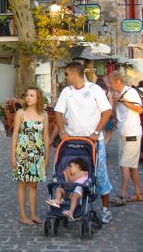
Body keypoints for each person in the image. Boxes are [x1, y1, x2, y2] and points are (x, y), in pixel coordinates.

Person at [55, 61, 113, 224]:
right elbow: (58, 112)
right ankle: (71, 204)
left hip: (93, 141)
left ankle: (105, 209)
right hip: (72, 142)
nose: (65, 77)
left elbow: (107, 111)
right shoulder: (67, 92)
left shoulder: (94, 89)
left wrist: (96, 132)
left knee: (99, 175)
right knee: (70, 174)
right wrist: (62, 132)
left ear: (75, 73)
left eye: (66, 74)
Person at [11, 86, 49, 226]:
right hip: (22, 152)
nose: (28, 97)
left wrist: (46, 157)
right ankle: (23, 215)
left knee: (33, 185)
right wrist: (13, 156)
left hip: (37, 154)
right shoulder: (20, 113)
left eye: (32, 95)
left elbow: (46, 136)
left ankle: (33, 214)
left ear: (38, 98)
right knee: (22, 185)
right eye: (27, 95)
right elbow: (15, 135)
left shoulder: (44, 115)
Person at [107, 71, 143, 205]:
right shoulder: (116, 94)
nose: (109, 86)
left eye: (111, 83)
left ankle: (123, 194)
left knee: (124, 165)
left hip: (132, 133)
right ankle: (138, 193)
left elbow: (140, 110)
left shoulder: (131, 92)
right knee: (131, 166)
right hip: (123, 132)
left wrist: (123, 101)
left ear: (118, 82)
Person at [95, 77, 115, 149]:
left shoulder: (94, 92)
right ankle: (103, 147)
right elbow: (111, 106)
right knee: (108, 133)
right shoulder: (107, 92)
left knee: (98, 133)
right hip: (107, 116)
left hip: (97, 116)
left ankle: (98, 148)